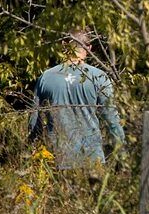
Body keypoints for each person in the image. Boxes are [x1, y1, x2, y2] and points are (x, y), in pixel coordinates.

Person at [28, 27, 125, 170]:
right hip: (92, 158)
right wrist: (121, 156)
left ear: (63, 45)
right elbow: (112, 120)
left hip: (58, 159)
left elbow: (33, 122)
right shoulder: (99, 77)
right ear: (89, 47)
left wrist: (33, 152)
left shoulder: (46, 77)